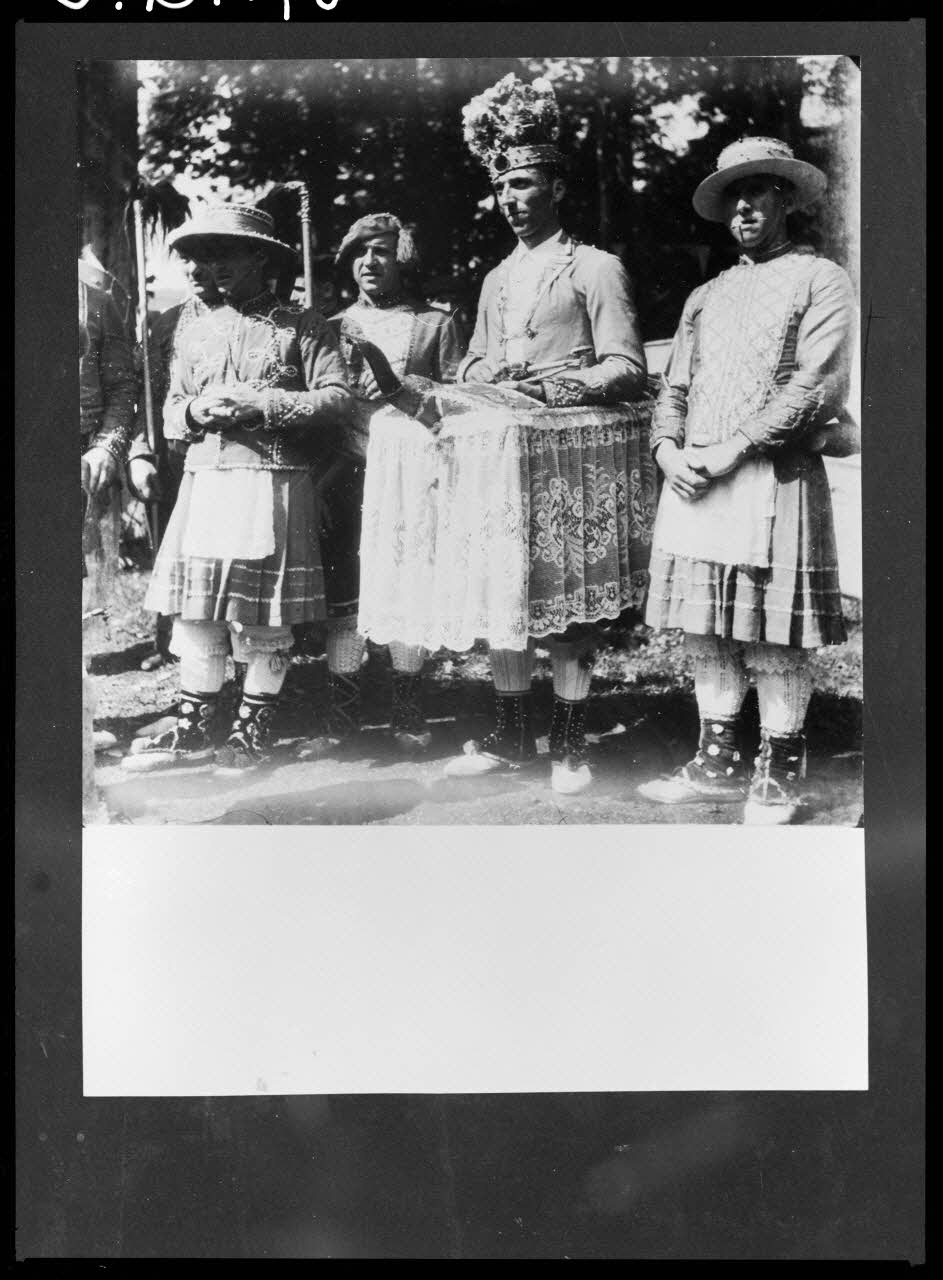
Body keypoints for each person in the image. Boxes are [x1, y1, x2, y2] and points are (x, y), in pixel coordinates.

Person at [636, 136, 857, 825]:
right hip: (697, 477)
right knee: (704, 624)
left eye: (756, 190)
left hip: (772, 472)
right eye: (732, 195)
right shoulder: (707, 294)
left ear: (786, 198)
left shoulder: (820, 279)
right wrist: (667, 451)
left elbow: (816, 384)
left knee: (770, 630)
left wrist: (733, 447)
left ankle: (778, 768)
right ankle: (716, 763)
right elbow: (673, 386)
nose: (743, 207)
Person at [445, 73, 648, 793]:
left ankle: (568, 741)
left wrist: (554, 384)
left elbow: (627, 367)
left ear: (556, 188)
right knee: (505, 595)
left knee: (565, 602)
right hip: (504, 459)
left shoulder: (595, 267)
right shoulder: (496, 279)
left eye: (524, 184)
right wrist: (488, 371)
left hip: (570, 457)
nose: (510, 198)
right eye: (502, 186)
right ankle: (511, 735)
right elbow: (471, 358)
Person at [121, 202, 352, 774]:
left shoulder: (301, 325)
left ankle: (253, 733)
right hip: (206, 479)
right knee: (196, 611)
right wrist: (195, 410)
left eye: (227, 252)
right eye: (204, 254)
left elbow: (338, 398)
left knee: (263, 615)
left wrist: (263, 404)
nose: (213, 264)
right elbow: (172, 409)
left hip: (274, 481)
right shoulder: (192, 329)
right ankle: (194, 729)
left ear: (261, 258)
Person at [301, 211, 465, 754]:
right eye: (359, 253)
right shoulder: (326, 326)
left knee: (407, 585)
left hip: (412, 475)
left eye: (383, 252)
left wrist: (405, 385)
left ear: (403, 260)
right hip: (343, 473)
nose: (369, 262)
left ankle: (408, 713)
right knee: (345, 594)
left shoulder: (435, 324)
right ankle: (341, 720)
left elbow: (457, 403)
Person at [126, 262, 224, 671]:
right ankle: (170, 640)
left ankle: (233, 647)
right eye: (188, 259)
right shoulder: (168, 322)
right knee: (174, 546)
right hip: (174, 456)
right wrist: (138, 452)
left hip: (232, 456)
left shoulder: (250, 318)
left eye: (208, 258)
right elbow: (145, 395)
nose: (196, 269)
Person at [80, 256, 137, 818]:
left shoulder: (95, 300)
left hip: (77, 465)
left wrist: (106, 447)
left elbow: (122, 386)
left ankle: (76, 729)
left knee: (71, 613)